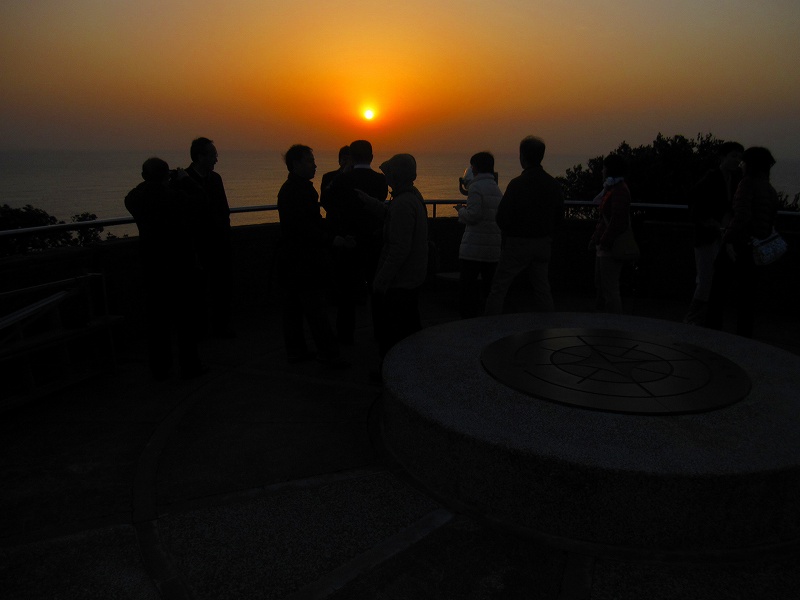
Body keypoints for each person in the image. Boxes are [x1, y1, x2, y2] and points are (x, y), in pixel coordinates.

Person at [124, 157, 207, 380]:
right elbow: (200, 198)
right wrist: (184, 179)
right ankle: (190, 366)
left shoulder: (136, 199)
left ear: (144, 176)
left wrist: (155, 181)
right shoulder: (175, 197)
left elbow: (134, 194)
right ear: (165, 175)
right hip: (180, 264)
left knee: (157, 321)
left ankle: (160, 367)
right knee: (185, 320)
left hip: (153, 266)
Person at [275, 144, 348, 368]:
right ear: (296, 164)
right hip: (304, 261)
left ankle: (297, 351)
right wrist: (330, 238)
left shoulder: (292, 189)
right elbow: (306, 227)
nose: (315, 165)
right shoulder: (300, 190)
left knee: (294, 311)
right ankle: (329, 353)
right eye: (309, 160)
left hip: (292, 261)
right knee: (316, 310)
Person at [705, 146, 780, 338]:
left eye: (743, 161)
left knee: (717, 291)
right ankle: (743, 339)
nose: (741, 165)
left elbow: (741, 217)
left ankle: (710, 334)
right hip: (756, 248)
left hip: (738, 246)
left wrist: (727, 240)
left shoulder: (747, 184)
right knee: (747, 298)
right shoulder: (770, 189)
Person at [484, 136, 564, 315]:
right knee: (542, 288)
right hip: (543, 243)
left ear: (522, 156)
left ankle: (487, 327)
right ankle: (548, 325)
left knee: (499, 287)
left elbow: (502, 216)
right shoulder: (553, 184)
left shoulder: (517, 184)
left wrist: (510, 234)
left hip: (517, 243)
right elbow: (559, 217)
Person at [362, 153, 428, 359]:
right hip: (413, 275)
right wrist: (370, 202)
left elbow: (399, 248)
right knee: (409, 325)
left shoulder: (402, 203)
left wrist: (381, 280)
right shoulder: (412, 196)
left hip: (401, 279)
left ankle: (392, 369)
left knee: (393, 331)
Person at [322, 140, 389, 343]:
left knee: (346, 294)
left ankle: (345, 336)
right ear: (371, 156)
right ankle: (382, 333)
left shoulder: (342, 180)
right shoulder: (381, 181)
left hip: (349, 242)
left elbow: (328, 202)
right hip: (374, 241)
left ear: (351, 156)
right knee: (377, 292)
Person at [684, 141, 744, 325]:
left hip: (724, 237)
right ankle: (691, 320)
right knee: (705, 280)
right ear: (722, 157)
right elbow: (694, 208)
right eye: (733, 156)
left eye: (739, 157)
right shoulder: (710, 179)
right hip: (707, 237)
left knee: (714, 280)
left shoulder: (736, 179)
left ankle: (703, 320)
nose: (737, 160)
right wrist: (712, 223)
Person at [183, 137, 235, 339]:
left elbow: (223, 210)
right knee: (198, 291)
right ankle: (201, 330)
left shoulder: (215, 179)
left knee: (222, 287)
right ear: (200, 157)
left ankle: (221, 327)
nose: (216, 160)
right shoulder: (185, 180)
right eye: (213, 155)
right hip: (198, 245)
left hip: (219, 243)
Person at [455, 151, 502, 318]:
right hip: (492, 248)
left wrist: (461, 211)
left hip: (474, 249)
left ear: (475, 167)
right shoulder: (495, 188)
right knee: (488, 287)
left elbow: (474, 215)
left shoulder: (475, 187)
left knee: (467, 287)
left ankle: (467, 320)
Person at [589, 154, 632, 314]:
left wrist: (603, 241)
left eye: (604, 167)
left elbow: (617, 222)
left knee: (610, 288)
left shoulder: (619, 191)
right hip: (604, 246)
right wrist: (595, 239)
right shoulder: (612, 189)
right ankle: (603, 320)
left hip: (610, 247)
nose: (602, 171)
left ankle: (614, 324)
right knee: (601, 285)